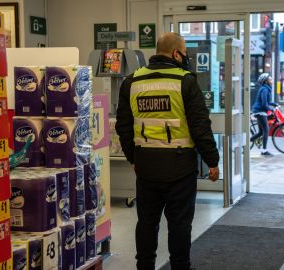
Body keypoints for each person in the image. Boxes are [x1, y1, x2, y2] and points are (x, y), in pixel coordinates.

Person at [115, 32, 220, 270]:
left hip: (146, 167)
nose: (186, 58)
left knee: (146, 223)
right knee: (180, 224)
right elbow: (200, 126)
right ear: (176, 53)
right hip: (180, 168)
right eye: (184, 53)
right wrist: (212, 161)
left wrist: (133, 157)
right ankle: (180, 266)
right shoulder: (186, 81)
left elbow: (123, 126)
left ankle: (144, 266)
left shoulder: (131, 82)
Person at [250, 73, 278, 156]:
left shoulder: (266, 88)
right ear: (266, 81)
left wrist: (275, 104)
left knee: (261, 132)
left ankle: (245, 145)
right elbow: (264, 104)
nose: (272, 80)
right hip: (260, 111)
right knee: (266, 130)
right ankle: (264, 150)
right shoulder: (264, 90)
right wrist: (271, 109)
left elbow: (268, 102)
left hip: (261, 111)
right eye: (270, 79)